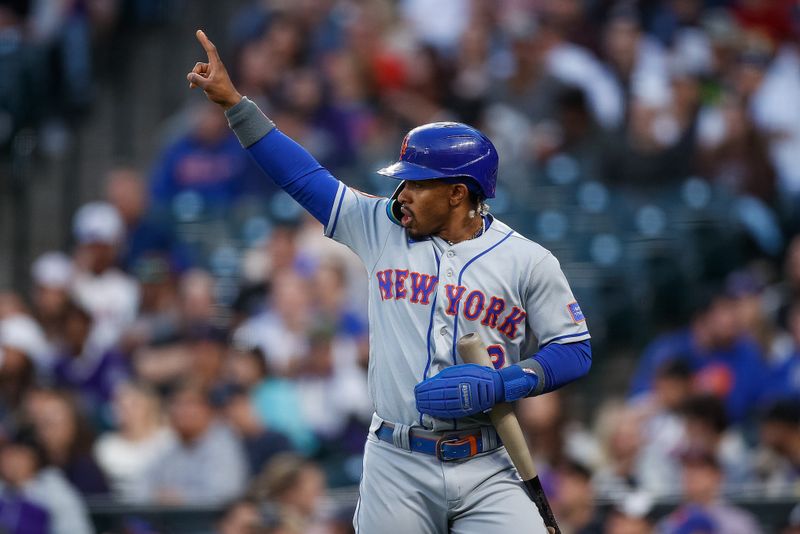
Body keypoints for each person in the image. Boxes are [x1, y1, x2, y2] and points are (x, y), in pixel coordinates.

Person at [188, 29, 591, 533]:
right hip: (398, 461)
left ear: (458, 194)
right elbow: (304, 178)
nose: (401, 194)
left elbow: (574, 349)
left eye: (417, 184)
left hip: (488, 461)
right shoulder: (380, 227)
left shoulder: (526, 260)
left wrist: (506, 381)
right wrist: (234, 104)